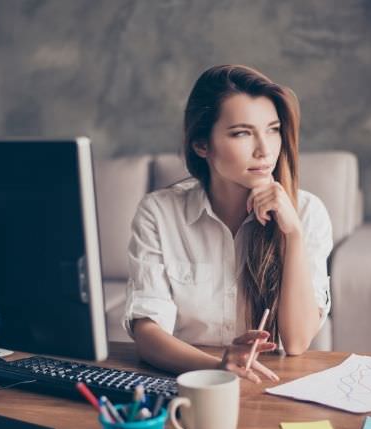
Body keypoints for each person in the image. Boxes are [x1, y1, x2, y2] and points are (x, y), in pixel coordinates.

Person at [123, 64, 333, 383]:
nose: (265, 150)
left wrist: (293, 235)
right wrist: (217, 367)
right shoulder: (159, 212)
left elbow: (296, 343)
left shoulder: (307, 212)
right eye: (242, 133)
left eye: (273, 129)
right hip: (190, 383)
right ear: (202, 145)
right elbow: (147, 332)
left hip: (273, 383)